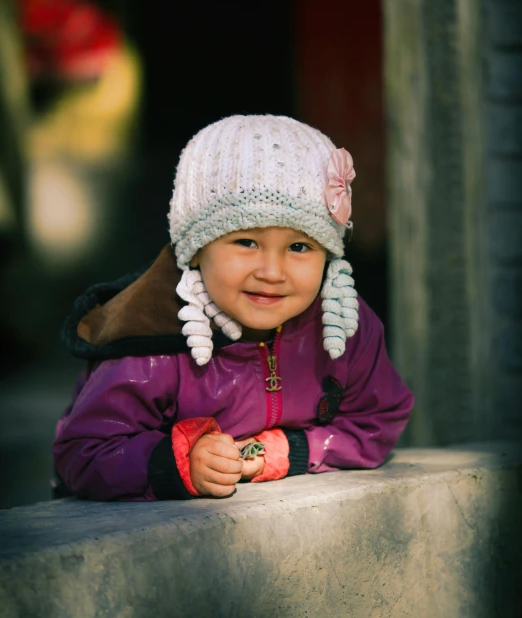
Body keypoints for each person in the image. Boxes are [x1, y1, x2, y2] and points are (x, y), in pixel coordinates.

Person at [53, 114, 414, 501]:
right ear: (195, 247)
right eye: (246, 242)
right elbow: (84, 453)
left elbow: (377, 419)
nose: (272, 272)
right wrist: (178, 463)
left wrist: (287, 451)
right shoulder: (151, 340)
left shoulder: (343, 325)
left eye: (299, 247)